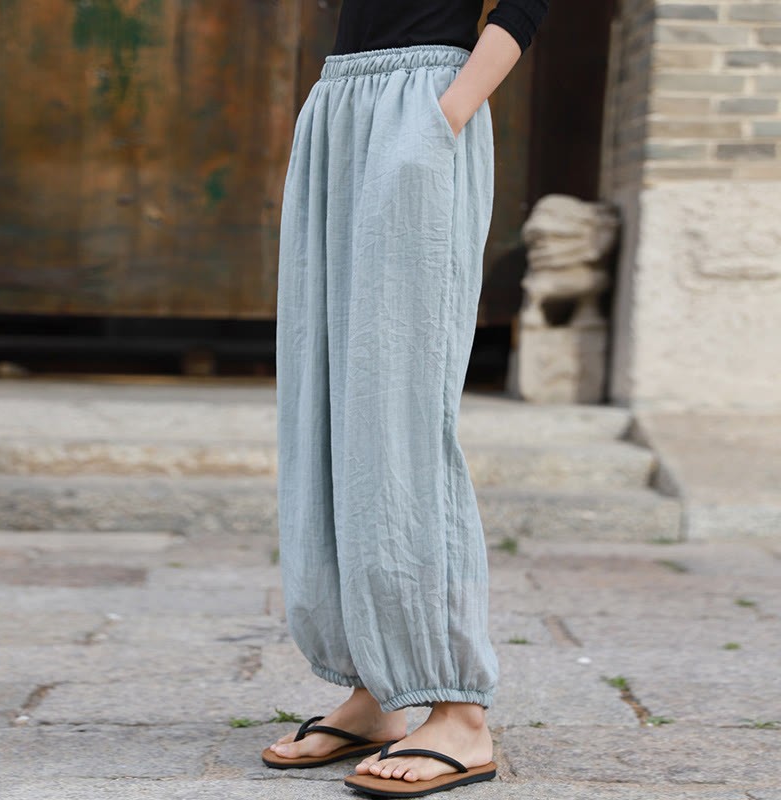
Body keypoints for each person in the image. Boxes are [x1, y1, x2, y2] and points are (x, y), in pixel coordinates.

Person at [265, 1, 550, 796]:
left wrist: (444, 114)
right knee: (328, 404)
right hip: (340, 105)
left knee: (401, 412)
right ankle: (379, 688)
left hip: (424, 100)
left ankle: (459, 710)